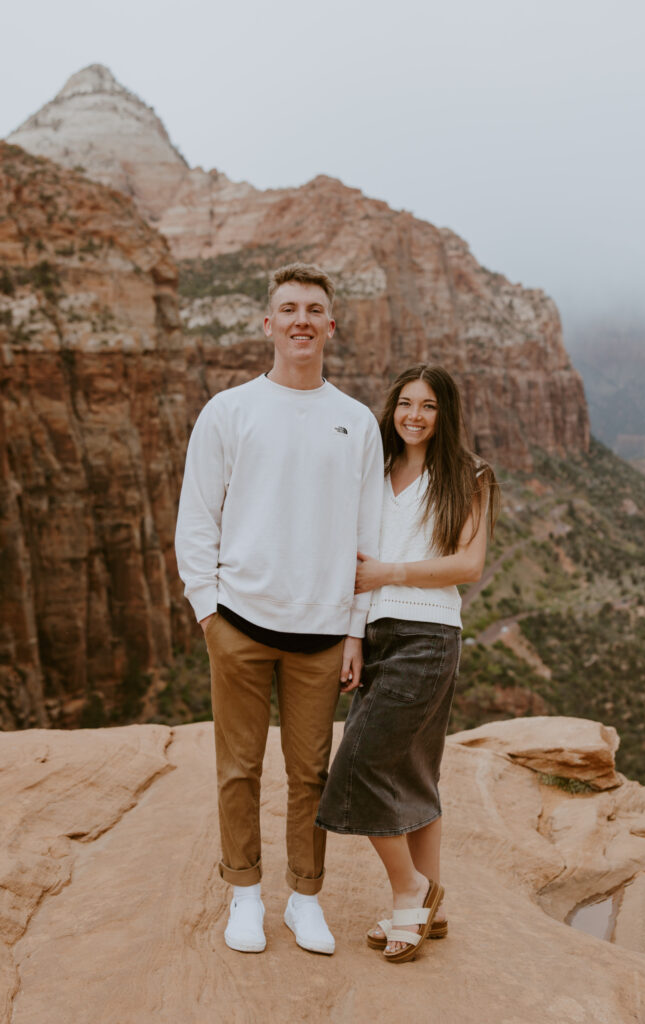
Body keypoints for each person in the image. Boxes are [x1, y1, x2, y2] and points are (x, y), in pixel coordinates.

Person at [175, 262, 384, 956]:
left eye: (313, 309)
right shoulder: (229, 411)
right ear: (268, 324)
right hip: (238, 623)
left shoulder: (355, 423)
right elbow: (196, 518)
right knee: (237, 769)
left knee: (311, 775)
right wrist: (207, 609)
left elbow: (368, 539)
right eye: (287, 308)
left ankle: (303, 899)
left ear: (330, 324)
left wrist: (355, 630)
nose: (300, 319)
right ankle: (243, 895)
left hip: (321, 634)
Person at [316, 363, 499, 963]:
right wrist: (354, 636)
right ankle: (429, 911)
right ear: (391, 407)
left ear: (444, 415)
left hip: (429, 636)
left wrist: (390, 574)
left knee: (354, 771)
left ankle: (409, 888)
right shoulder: (376, 470)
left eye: (428, 407)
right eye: (405, 403)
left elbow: (468, 566)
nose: (414, 416)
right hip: (377, 633)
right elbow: (356, 556)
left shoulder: (470, 476)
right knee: (416, 772)